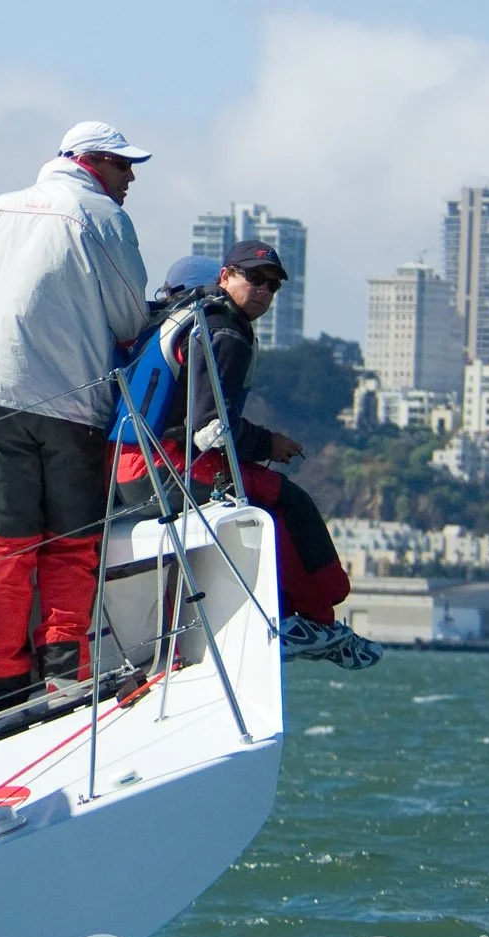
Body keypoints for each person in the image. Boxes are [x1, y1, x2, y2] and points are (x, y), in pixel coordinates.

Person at [0, 122, 152, 708]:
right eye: (125, 167)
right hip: (71, 399)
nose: (130, 180)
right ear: (95, 162)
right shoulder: (101, 216)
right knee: (71, 543)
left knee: (0, 545)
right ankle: (64, 675)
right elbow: (130, 319)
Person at [109, 245, 380, 669]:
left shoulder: (185, 319)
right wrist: (268, 443)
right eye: (255, 279)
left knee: (272, 494)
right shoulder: (226, 333)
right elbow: (211, 429)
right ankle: (314, 620)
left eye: (273, 285)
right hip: (163, 468)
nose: (264, 292)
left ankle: (305, 620)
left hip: (135, 464)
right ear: (226, 276)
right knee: (284, 500)